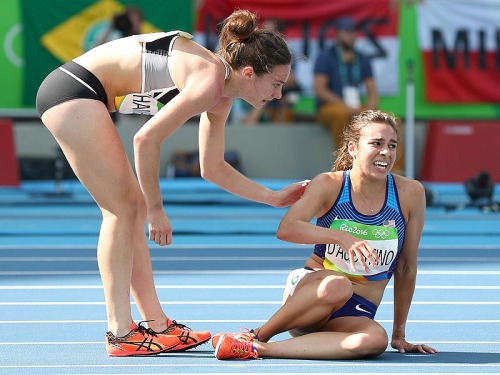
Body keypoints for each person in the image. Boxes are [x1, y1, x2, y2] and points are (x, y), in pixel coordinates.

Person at [35, 9, 308, 357]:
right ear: (250, 73)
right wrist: (156, 210)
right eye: (277, 83)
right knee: (123, 210)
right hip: (74, 91)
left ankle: (157, 326)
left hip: (83, 95)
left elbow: (213, 168)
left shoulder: (220, 95)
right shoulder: (209, 80)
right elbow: (145, 141)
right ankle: (120, 332)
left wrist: (273, 197)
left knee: (127, 210)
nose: (280, 94)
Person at [212, 110, 438, 360]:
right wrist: (340, 237)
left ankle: (254, 350)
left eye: (391, 145)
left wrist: (399, 334)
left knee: (375, 340)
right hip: (310, 297)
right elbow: (287, 228)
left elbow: (406, 266)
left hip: (355, 312)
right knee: (337, 285)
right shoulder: (330, 185)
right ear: (353, 148)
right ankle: (256, 335)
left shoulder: (410, 193)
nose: (385, 152)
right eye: (376, 143)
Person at [314, 16, 378, 150]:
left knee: (386, 120)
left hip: (355, 107)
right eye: (347, 31)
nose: (352, 35)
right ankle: (344, 161)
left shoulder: (362, 58)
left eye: (353, 31)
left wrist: (368, 110)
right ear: (337, 34)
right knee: (341, 114)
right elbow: (320, 90)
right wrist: (345, 106)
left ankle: (394, 167)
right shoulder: (326, 56)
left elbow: (372, 92)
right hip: (330, 108)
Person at [239, 18, 302, 124]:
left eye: (269, 32)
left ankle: (251, 121)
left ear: (279, 35)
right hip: (258, 94)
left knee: (274, 91)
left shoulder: (289, 53)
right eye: (263, 31)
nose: (265, 36)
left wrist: (269, 81)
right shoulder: (254, 52)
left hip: (284, 95)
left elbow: (292, 80)